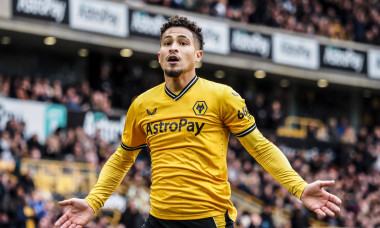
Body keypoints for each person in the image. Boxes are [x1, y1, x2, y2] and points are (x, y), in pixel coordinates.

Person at [54, 15, 341, 228]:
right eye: (167, 43)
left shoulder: (222, 96)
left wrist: (299, 188)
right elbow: (121, 159)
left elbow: (261, 148)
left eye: (182, 42)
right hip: (158, 220)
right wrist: (93, 202)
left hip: (208, 221)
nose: (173, 48)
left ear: (198, 56)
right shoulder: (141, 105)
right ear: (159, 55)